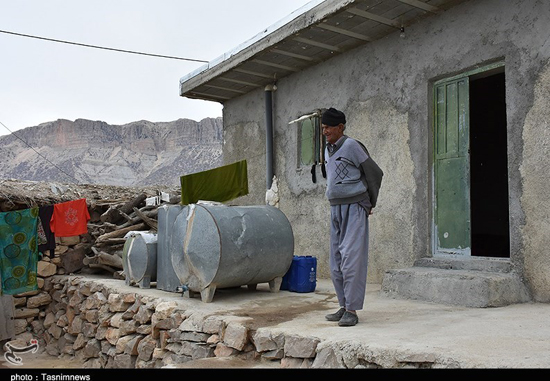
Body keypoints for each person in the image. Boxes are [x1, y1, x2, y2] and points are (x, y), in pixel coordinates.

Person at [322, 107, 383, 326]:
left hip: (354, 207)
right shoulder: (328, 149)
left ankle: (352, 310)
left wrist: (369, 202)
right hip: (335, 208)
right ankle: (343, 305)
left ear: (340, 127)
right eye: (323, 127)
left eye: (329, 127)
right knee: (336, 260)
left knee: (351, 259)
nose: (325, 131)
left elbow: (375, 173)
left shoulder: (352, 146)